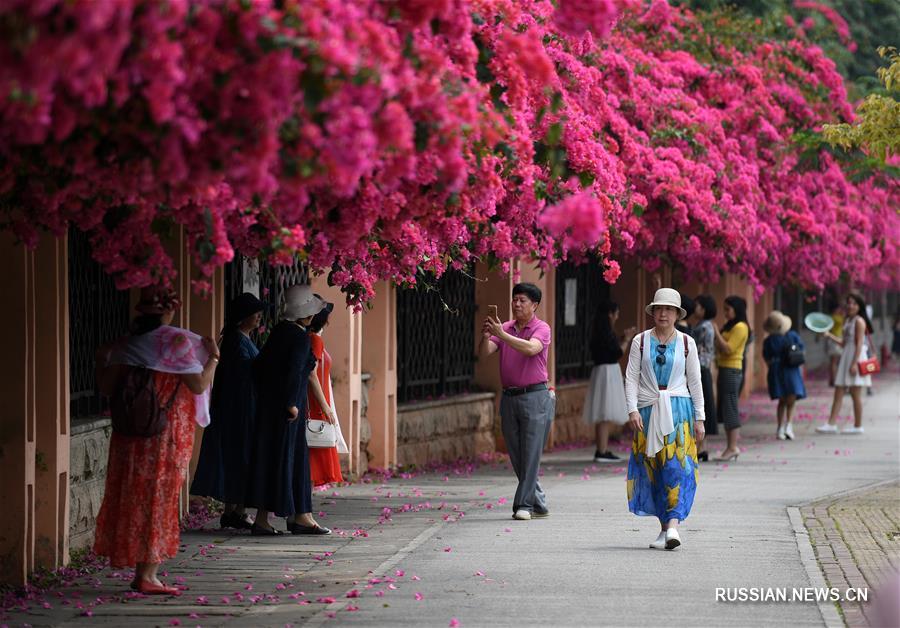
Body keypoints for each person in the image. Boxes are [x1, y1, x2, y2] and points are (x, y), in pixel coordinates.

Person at [93, 285, 218, 595]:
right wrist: (214, 359)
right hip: (164, 435)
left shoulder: (127, 346)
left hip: (129, 436)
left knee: (133, 497)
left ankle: (141, 569)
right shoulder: (176, 342)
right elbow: (199, 385)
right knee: (159, 500)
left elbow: (107, 387)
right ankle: (148, 574)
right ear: (168, 311)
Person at [245, 285, 331, 535]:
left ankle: (270, 519)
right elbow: (295, 373)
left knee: (271, 460)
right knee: (289, 461)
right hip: (288, 410)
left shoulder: (279, 332)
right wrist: (291, 403)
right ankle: (299, 517)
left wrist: (269, 396)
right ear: (308, 315)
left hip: (270, 406)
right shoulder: (299, 337)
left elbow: (259, 366)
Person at [625, 288, 705, 550]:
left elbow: (695, 381)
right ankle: (664, 528)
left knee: (678, 467)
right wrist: (632, 410)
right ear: (652, 312)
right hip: (647, 410)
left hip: (679, 411)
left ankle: (673, 526)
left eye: (669, 309)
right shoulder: (640, 341)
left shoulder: (686, 343)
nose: (663, 313)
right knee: (653, 470)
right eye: (659, 308)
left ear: (677, 314)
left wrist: (700, 417)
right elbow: (631, 378)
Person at [479, 283, 554, 521]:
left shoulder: (541, 328)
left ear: (535, 305)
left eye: (522, 300)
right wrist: (487, 336)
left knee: (531, 452)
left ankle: (524, 506)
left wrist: (502, 334)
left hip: (535, 396)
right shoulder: (507, 328)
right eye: (514, 300)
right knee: (517, 454)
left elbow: (531, 349)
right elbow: (485, 353)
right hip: (510, 397)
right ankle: (539, 501)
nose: (517, 304)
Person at [191, 292, 266, 530]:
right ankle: (235, 511)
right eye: (255, 313)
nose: (258, 317)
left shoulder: (240, 338)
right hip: (238, 410)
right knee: (239, 457)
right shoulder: (236, 341)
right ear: (244, 316)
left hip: (240, 407)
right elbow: (243, 374)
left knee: (239, 458)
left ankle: (235, 510)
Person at [583, 300, 637, 462]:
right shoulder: (605, 332)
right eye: (616, 313)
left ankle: (602, 448)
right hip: (607, 372)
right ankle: (602, 449)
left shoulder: (598, 331)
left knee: (602, 412)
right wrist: (627, 339)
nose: (617, 317)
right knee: (604, 412)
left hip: (602, 371)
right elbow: (617, 352)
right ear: (610, 314)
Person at [817, 293, 874, 434]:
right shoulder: (847, 320)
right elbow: (844, 343)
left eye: (854, 303)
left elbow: (859, 343)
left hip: (855, 357)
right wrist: (829, 335)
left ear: (859, 306)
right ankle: (831, 424)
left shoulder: (859, 321)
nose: (850, 306)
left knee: (855, 395)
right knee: (838, 391)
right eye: (849, 303)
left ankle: (858, 425)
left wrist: (854, 363)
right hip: (846, 355)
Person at [306, 298, 347, 486]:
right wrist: (326, 407)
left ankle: (302, 510)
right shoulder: (315, 339)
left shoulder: (312, 338)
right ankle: (301, 511)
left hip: (316, 400)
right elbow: (311, 374)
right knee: (314, 455)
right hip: (316, 403)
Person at [713, 295, 749, 461]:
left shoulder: (741, 327)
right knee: (726, 407)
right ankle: (730, 446)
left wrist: (715, 332)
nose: (725, 313)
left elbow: (728, 348)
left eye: (728, 309)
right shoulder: (730, 326)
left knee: (730, 407)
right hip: (725, 369)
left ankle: (732, 446)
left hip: (732, 370)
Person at [762, 311, 806, 440]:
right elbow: (801, 349)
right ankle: (789, 426)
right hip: (791, 369)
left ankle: (780, 428)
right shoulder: (792, 335)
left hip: (776, 371)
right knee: (791, 400)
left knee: (781, 401)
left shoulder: (769, 340)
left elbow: (766, 357)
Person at [688, 294, 718, 461]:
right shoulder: (705, 325)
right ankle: (702, 448)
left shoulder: (703, 327)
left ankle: (700, 447)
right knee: (703, 408)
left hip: (699, 370)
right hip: (704, 370)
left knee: (700, 408)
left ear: (704, 309)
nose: (695, 308)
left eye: (698, 306)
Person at [826, 300, 845, 387]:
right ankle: (835, 379)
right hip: (837, 339)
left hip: (831, 340)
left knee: (832, 362)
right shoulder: (837, 318)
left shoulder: (830, 317)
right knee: (837, 362)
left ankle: (832, 379)